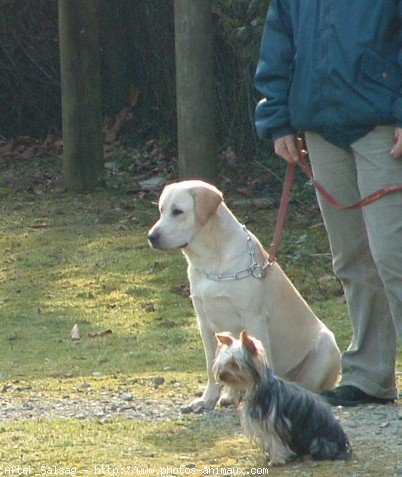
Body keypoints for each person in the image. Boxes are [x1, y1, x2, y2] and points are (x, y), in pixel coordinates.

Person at [254, 0, 402, 406]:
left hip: (384, 125)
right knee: (352, 259)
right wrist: (278, 119)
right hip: (320, 127)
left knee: (394, 256)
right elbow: (278, 42)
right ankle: (371, 377)